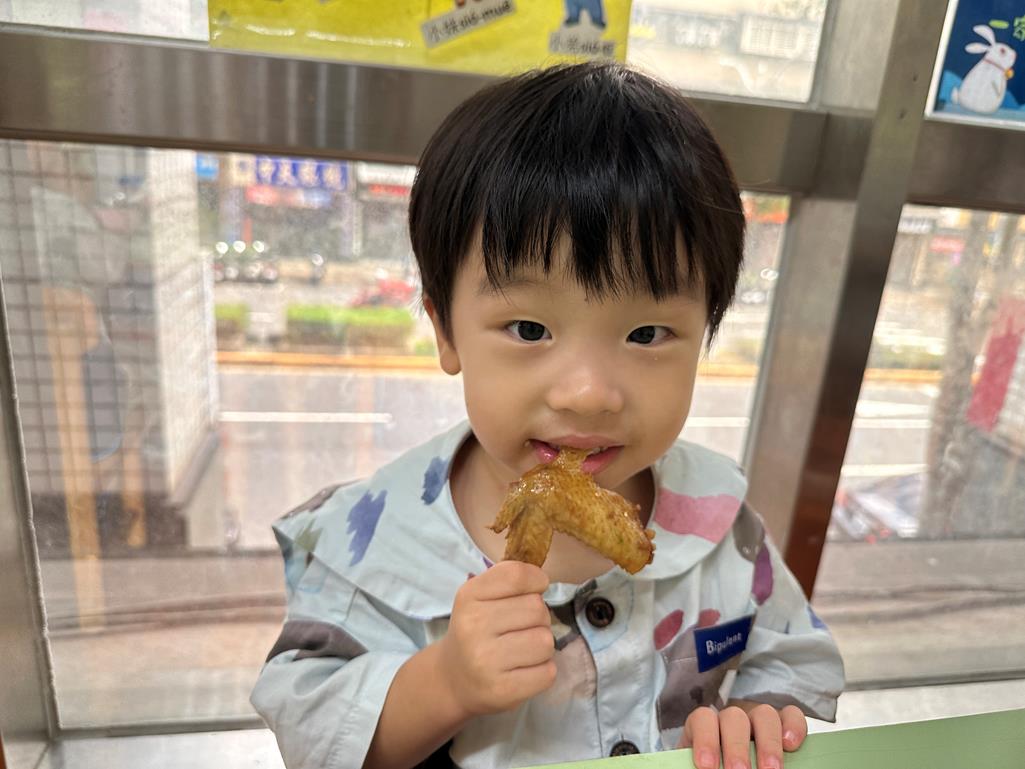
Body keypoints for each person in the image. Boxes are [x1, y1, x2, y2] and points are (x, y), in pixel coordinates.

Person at [251, 61, 845, 769]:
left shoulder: (722, 524)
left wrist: (756, 712)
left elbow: (792, 654)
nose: (587, 394)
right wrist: (443, 683)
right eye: (529, 329)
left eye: (647, 333)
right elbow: (311, 728)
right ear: (445, 331)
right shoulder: (370, 542)